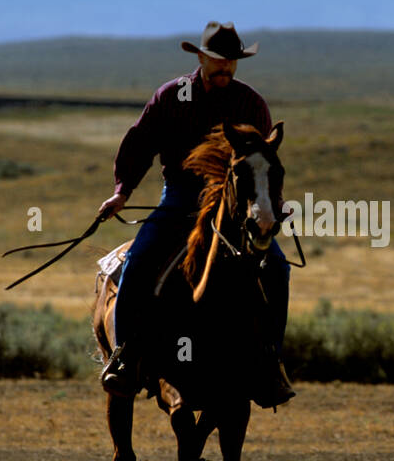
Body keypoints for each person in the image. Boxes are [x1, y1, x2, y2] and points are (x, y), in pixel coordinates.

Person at [96, 21, 294, 407]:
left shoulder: (250, 103)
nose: (226, 68)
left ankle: (270, 363)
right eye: (219, 60)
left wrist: (271, 203)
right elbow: (140, 142)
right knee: (138, 260)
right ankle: (125, 356)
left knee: (278, 268)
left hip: (233, 204)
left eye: (232, 61)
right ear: (201, 57)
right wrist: (122, 192)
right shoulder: (172, 96)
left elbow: (264, 162)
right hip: (182, 197)